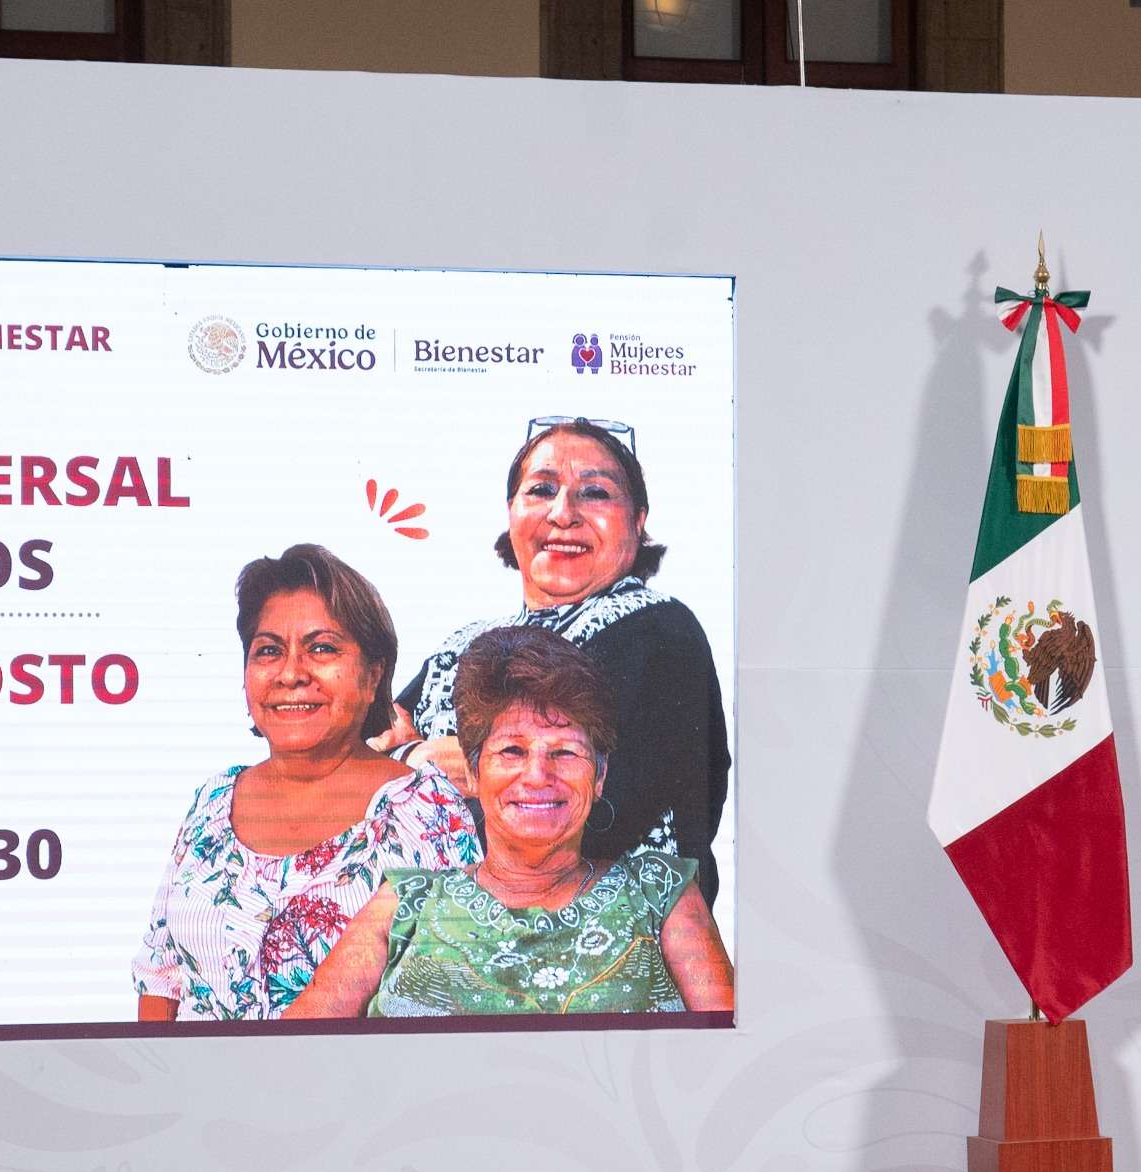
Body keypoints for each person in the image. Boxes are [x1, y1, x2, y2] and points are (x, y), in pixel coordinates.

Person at [296, 627, 734, 1019]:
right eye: (512, 751)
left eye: (564, 752)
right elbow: (290, 1056)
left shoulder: (660, 896)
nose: (538, 776)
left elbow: (731, 1055)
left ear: (599, 777)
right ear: (472, 773)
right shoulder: (404, 905)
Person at [378, 417, 732, 900]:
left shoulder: (658, 631)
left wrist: (431, 769)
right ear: (511, 512)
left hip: (606, 938)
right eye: (541, 490)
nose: (563, 514)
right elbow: (361, 761)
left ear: (638, 521)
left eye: (596, 493)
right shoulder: (461, 645)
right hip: (448, 932)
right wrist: (418, 757)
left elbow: (591, 823)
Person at [133, 545, 481, 1021]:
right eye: (269, 651)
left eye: (322, 648)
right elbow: (161, 974)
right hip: (193, 1071)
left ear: (373, 675)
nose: (292, 673)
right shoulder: (213, 800)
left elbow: (457, 993)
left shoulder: (426, 810)